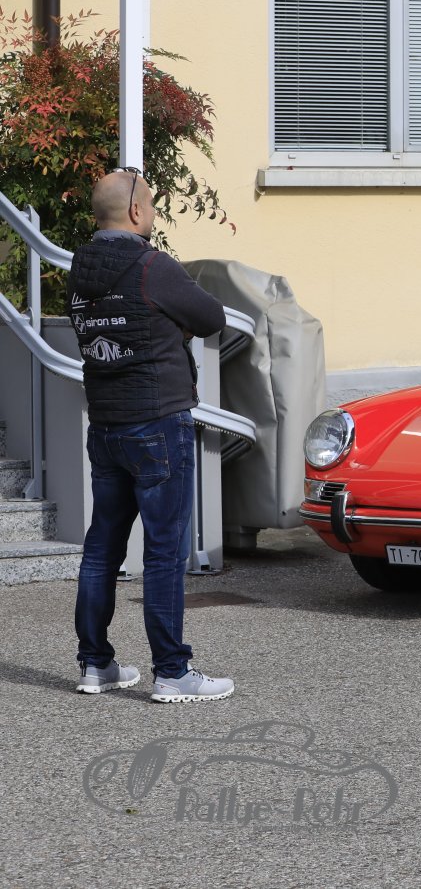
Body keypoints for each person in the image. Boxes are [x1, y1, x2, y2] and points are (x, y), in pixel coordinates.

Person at [68, 167, 235, 703]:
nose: (155, 215)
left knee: (102, 548)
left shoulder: (78, 269)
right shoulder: (152, 266)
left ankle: (96, 664)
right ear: (137, 211)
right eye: (154, 206)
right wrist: (172, 326)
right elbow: (211, 317)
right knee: (164, 551)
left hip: (105, 425)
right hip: (158, 422)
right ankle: (172, 672)